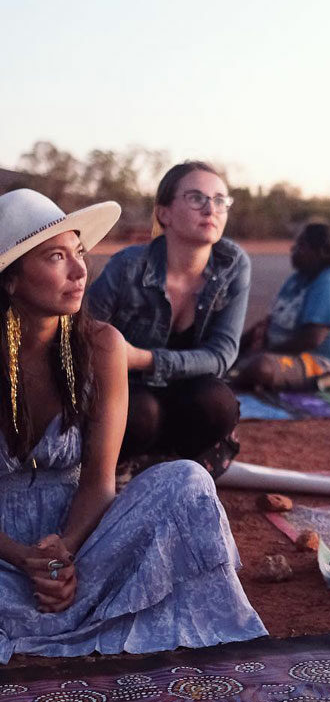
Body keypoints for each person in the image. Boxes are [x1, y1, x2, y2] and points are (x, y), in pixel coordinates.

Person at [0, 188, 266, 662]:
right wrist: (24, 557)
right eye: (56, 257)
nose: (81, 272)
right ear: (11, 280)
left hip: (82, 543)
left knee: (188, 481)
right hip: (3, 554)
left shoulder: (102, 345)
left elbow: (100, 483)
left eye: (79, 253)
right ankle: (65, 612)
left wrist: (64, 554)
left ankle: (72, 605)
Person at [87, 161, 250, 478]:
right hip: (127, 392)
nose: (210, 209)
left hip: (187, 397)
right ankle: (120, 468)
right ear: (164, 213)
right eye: (196, 198)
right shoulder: (128, 266)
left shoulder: (233, 265)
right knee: (142, 412)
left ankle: (172, 467)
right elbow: (82, 333)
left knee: (218, 403)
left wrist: (143, 359)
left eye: (220, 200)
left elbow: (223, 355)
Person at [232, 222, 330, 392]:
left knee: (261, 367)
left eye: (301, 246)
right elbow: (271, 321)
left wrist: (264, 352)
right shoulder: (300, 277)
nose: (293, 250)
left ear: (321, 252)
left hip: (321, 361)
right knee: (226, 353)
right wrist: (234, 349)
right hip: (287, 352)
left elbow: (311, 338)